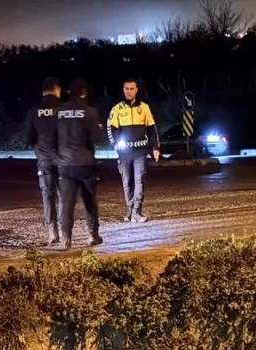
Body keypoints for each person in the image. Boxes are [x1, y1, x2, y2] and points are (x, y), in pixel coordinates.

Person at [55, 78, 105, 249]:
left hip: (65, 164)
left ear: (69, 92)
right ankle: (93, 235)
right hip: (85, 164)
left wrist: (57, 158)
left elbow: (52, 137)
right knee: (89, 201)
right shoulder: (90, 111)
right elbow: (97, 138)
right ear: (84, 93)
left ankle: (66, 239)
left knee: (66, 203)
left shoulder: (58, 112)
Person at [107, 78, 160, 223]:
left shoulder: (144, 107)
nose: (129, 91)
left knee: (139, 180)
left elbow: (152, 128)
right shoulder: (117, 109)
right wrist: (114, 144)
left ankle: (137, 211)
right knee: (127, 182)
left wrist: (155, 147)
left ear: (136, 90)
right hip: (124, 152)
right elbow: (110, 128)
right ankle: (130, 209)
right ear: (123, 90)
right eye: (126, 88)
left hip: (140, 151)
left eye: (132, 89)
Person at [25, 77, 62, 246]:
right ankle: (66, 231)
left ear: (43, 92)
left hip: (44, 160)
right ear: (57, 91)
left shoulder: (34, 111)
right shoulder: (64, 109)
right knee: (64, 196)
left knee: (48, 195)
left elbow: (28, 138)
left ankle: (52, 233)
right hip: (63, 159)